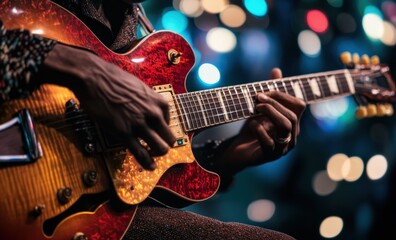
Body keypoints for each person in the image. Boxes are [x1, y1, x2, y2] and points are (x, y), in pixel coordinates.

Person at [0, 0, 306, 239]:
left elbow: (129, 177)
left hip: (72, 215)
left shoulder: (133, 18)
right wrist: (80, 67)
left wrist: (226, 157)